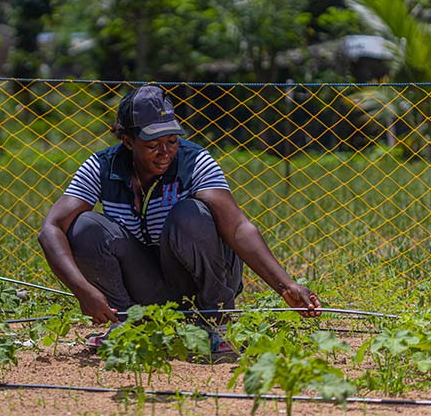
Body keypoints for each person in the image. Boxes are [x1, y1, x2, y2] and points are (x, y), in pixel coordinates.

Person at [38, 85, 321, 349]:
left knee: (190, 214)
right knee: (83, 227)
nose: (165, 153)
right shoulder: (102, 165)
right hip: (148, 283)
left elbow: (238, 228)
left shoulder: (194, 160)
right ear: (127, 141)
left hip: (195, 281)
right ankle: (125, 323)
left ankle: (215, 324)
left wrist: (286, 285)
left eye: (172, 141)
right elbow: (51, 228)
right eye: (152, 145)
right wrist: (81, 290)